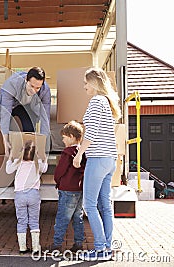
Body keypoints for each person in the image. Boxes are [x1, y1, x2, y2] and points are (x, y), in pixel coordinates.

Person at [73, 67, 121, 261]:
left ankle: (100, 248)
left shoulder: (95, 102)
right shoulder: (107, 103)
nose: (84, 86)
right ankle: (107, 248)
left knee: (89, 205)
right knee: (105, 206)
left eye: (86, 83)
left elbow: (91, 134)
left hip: (98, 159)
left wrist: (79, 154)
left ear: (94, 82)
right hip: (110, 160)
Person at [48, 120, 86, 254]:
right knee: (78, 217)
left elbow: (60, 171)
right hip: (79, 189)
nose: (63, 141)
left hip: (67, 189)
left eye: (64, 138)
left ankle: (57, 244)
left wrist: (57, 180)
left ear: (71, 136)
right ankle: (78, 244)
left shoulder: (67, 152)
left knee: (62, 218)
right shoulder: (82, 152)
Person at [0, 67, 51, 155]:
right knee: (4, 133)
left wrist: (43, 145)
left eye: (37, 88)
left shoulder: (45, 90)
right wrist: (4, 140)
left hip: (27, 108)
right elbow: (5, 113)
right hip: (11, 106)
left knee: (29, 130)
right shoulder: (11, 84)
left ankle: (26, 158)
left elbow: (45, 117)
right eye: (31, 86)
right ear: (26, 80)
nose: (34, 91)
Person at [6, 140, 48, 255]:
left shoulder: (18, 162)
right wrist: (43, 157)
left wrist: (11, 156)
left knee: (22, 221)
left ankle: (22, 248)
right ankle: (35, 248)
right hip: (34, 195)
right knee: (34, 221)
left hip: (20, 195)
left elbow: (8, 170)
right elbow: (45, 168)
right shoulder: (37, 163)